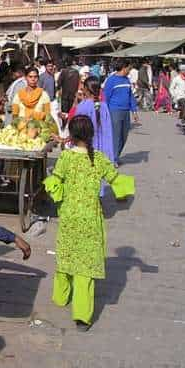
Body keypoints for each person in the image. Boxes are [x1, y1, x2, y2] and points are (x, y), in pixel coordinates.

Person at [44, 115, 134, 331]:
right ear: (92, 134)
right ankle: (82, 317)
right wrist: (125, 194)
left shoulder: (65, 159)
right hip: (91, 218)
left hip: (68, 216)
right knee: (84, 267)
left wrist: (59, 193)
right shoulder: (100, 159)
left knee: (66, 255)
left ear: (71, 136)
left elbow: (54, 183)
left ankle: (60, 297)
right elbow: (118, 182)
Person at [69, 76, 115, 165]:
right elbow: (108, 130)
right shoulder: (104, 107)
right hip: (103, 149)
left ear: (85, 89)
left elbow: (76, 128)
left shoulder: (82, 106)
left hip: (86, 149)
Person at [103, 59, 140, 162]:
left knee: (124, 136)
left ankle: (116, 155)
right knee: (115, 136)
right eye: (129, 68)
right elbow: (105, 97)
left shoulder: (126, 80)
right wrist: (104, 113)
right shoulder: (111, 80)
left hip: (125, 112)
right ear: (124, 68)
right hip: (114, 111)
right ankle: (112, 159)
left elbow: (131, 96)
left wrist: (134, 112)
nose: (130, 70)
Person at [57, 59, 81, 123]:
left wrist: (58, 88)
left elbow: (59, 83)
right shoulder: (76, 72)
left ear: (65, 64)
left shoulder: (64, 71)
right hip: (73, 95)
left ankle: (64, 125)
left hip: (65, 95)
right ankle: (70, 124)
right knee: (71, 111)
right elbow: (78, 83)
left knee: (64, 112)